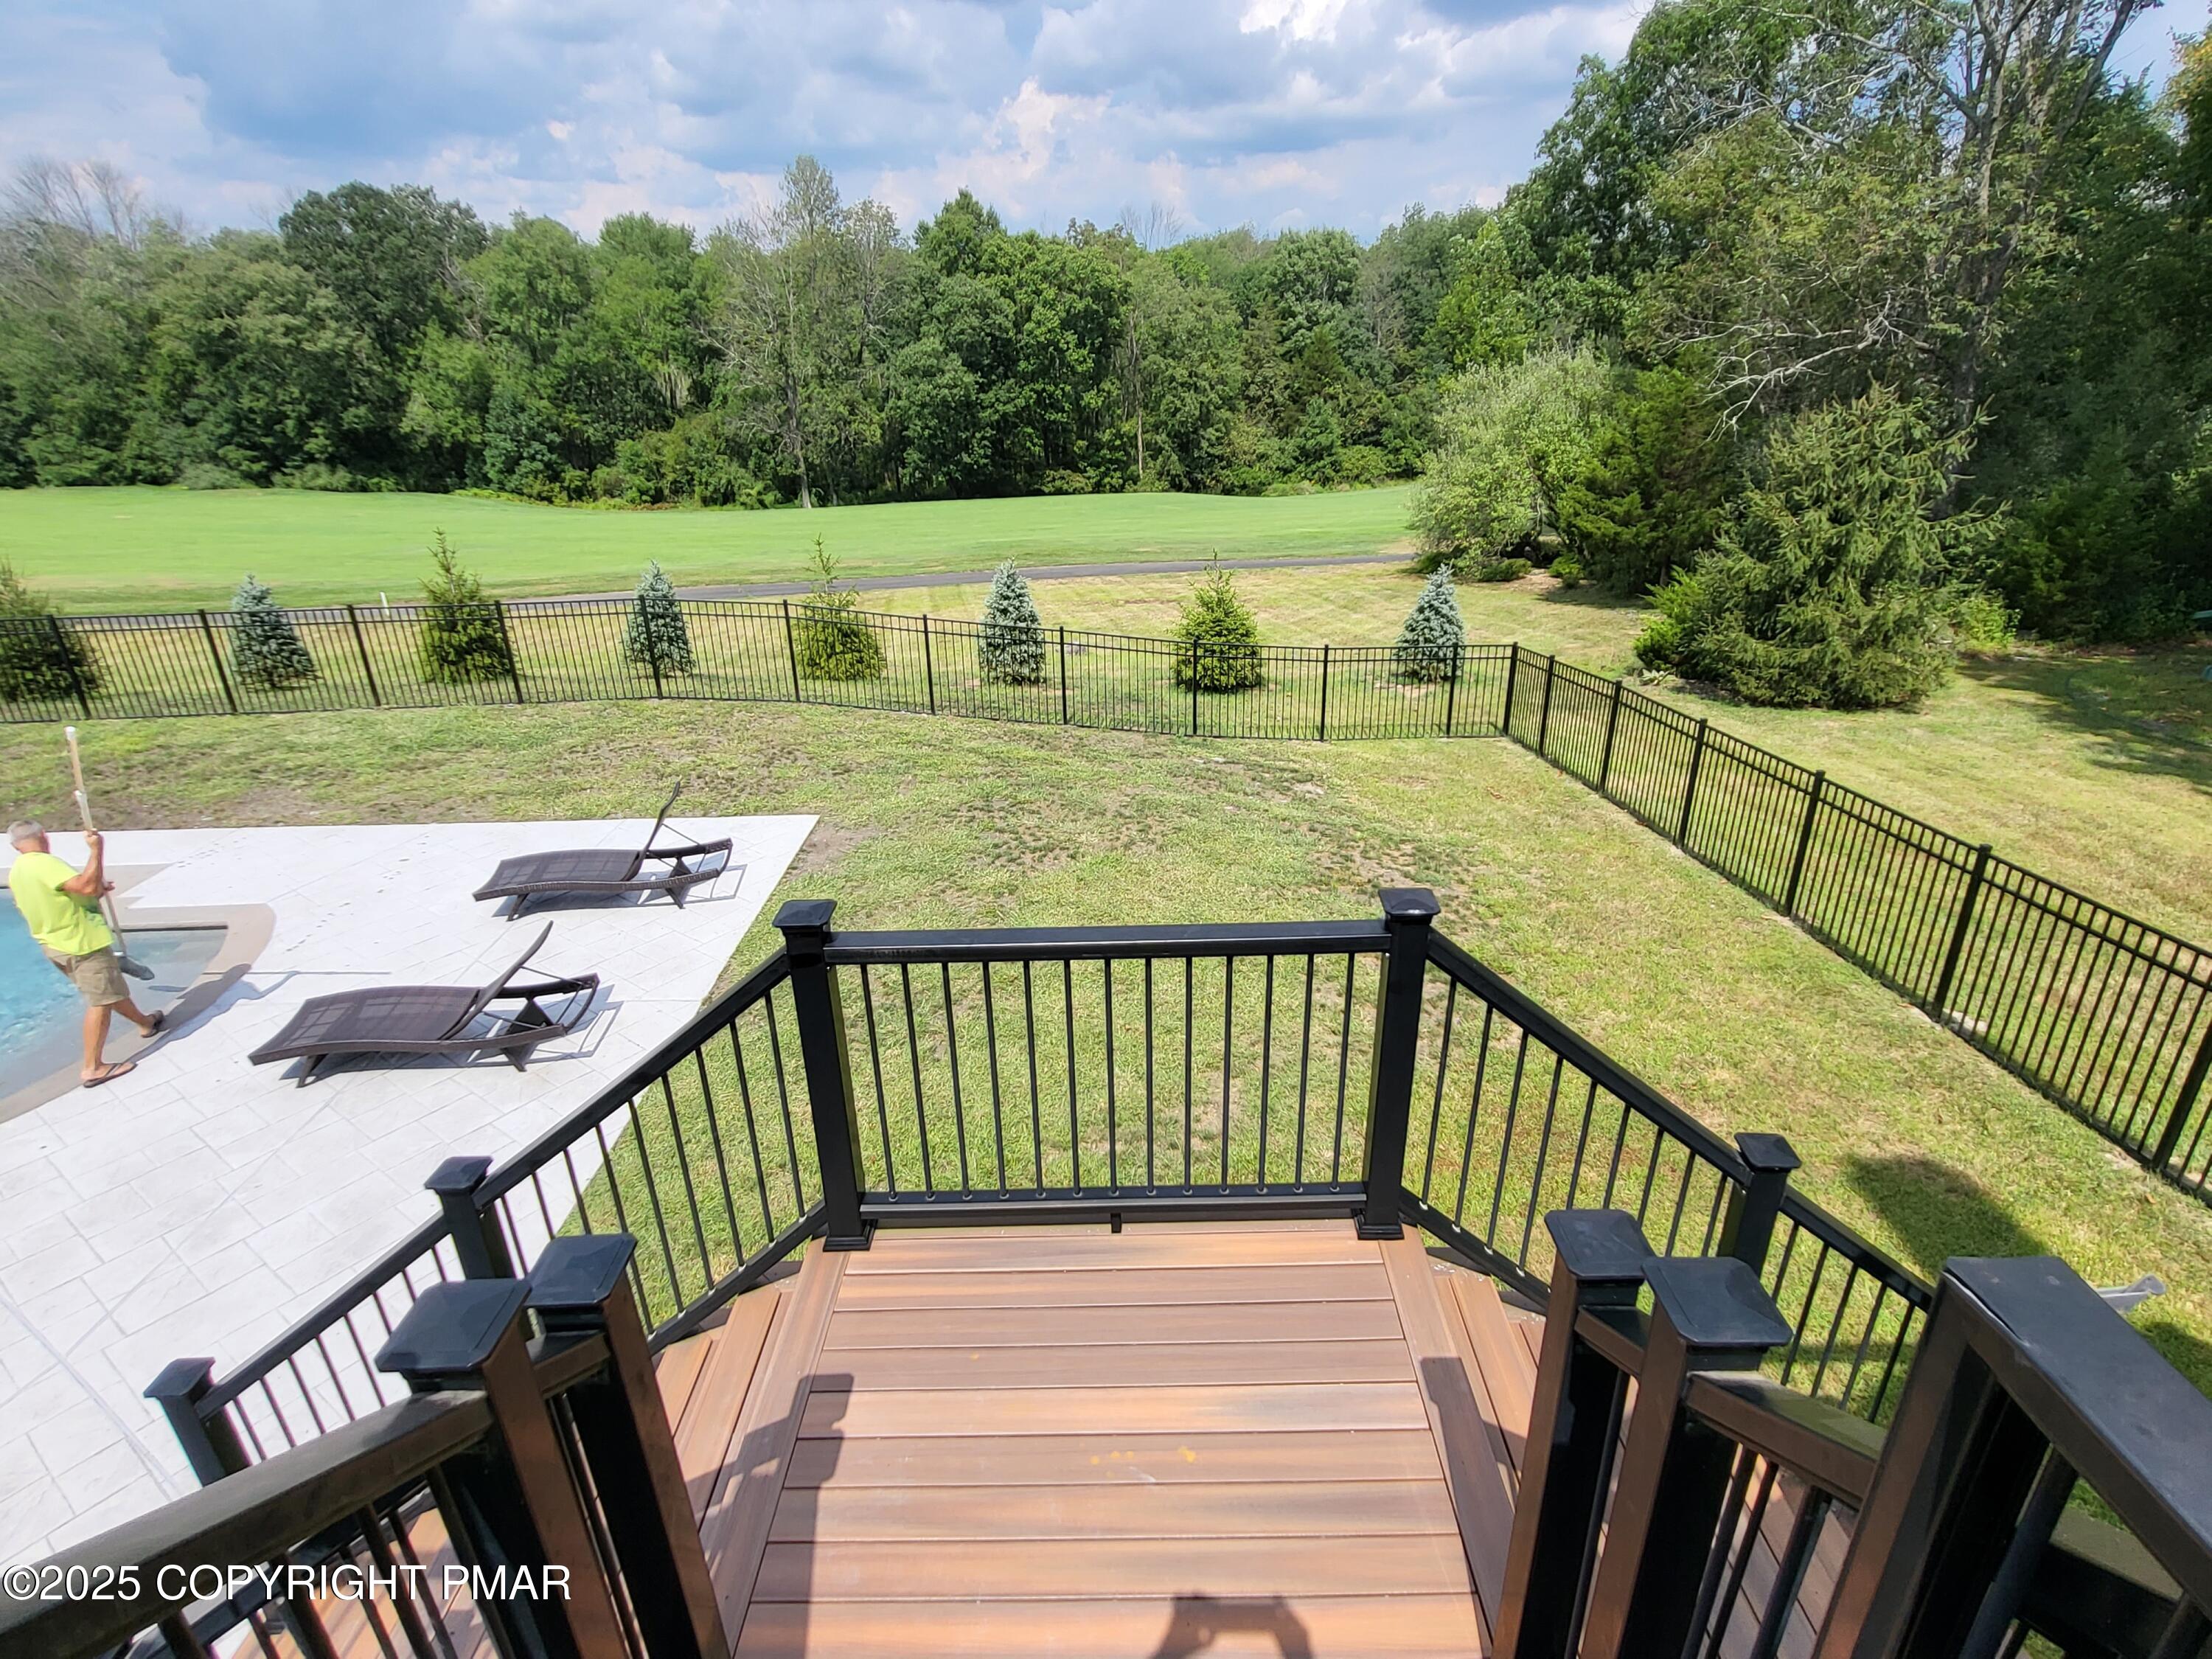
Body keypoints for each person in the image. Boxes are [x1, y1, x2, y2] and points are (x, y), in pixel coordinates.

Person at [6, 818, 162, 1086]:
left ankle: (145, 1022)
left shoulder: (17, 871)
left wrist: (95, 890)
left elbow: (69, 895)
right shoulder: (45, 863)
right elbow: (87, 887)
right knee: (100, 1001)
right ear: (44, 835)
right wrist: (96, 849)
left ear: (15, 845)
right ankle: (93, 1067)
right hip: (81, 944)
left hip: (55, 945)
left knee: (108, 991)